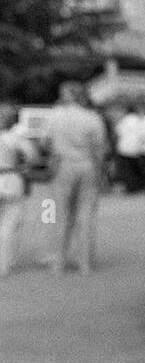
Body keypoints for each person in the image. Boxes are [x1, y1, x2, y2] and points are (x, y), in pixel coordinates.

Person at [45, 81, 109, 273]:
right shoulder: (92, 117)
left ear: (66, 95)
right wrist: (102, 174)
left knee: (59, 214)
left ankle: (58, 261)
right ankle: (85, 263)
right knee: (86, 215)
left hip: (62, 165)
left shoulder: (54, 116)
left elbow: (46, 141)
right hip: (87, 165)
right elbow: (100, 149)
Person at [0, 103, 39, 277]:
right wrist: (24, 166)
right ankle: (3, 264)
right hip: (11, 178)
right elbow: (33, 156)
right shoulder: (15, 138)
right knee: (9, 223)